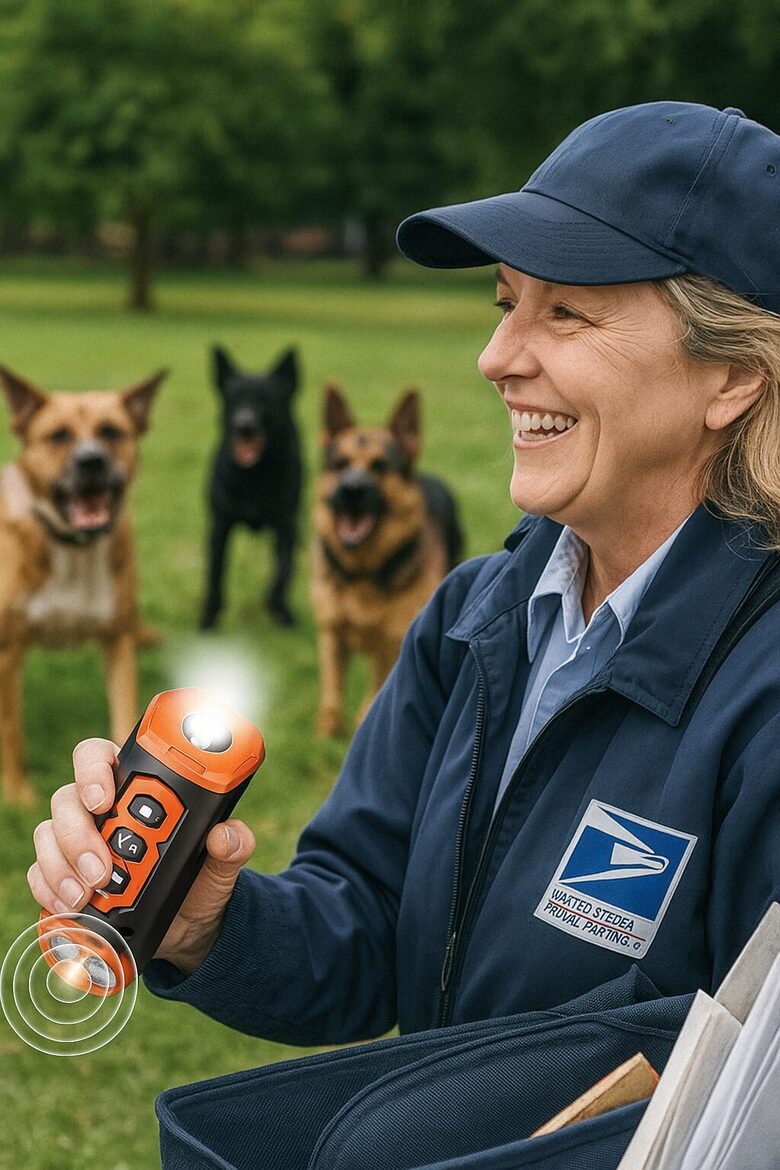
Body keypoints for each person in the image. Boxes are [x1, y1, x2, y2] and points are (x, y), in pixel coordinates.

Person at [27, 101, 780, 1045]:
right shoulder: (478, 615)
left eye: (570, 312)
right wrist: (204, 923)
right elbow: (368, 925)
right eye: (508, 303)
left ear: (732, 377)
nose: (496, 357)